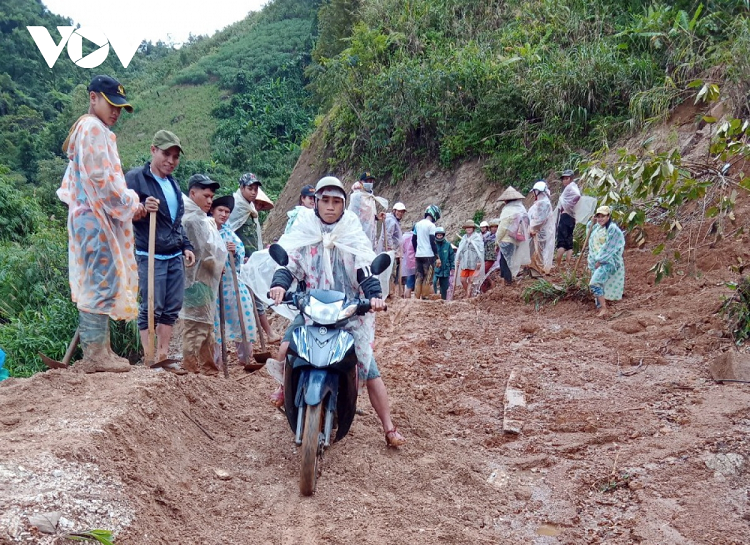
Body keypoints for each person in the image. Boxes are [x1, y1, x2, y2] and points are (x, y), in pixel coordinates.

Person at [267, 176, 406, 447]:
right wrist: (279, 286)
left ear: (344, 205)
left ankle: (389, 427)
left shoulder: (351, 230)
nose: (330, 207)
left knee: (369, 368)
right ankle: (286, 387)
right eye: (325, 200)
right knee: (286, 350)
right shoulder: (306, 228)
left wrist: (374, 296)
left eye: (336, 201)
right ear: (316, 202)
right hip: (312, 308)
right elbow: (291, 263)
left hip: (348, 311)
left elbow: (364, 267)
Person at [57, 74, 146, 373]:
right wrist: (131, 203)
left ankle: (100, 350)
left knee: (99, 279)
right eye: (112, 103)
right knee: (101, 280)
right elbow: (103, 180)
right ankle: (95, 356)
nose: (117, 111)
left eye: (120, 106)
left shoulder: (90, 128)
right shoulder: (93, 128)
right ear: (93, 97)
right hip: (95, 217)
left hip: (89, 215)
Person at [126, 130, 195, 364]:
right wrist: (142, 207)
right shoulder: (136, 178)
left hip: (174, 254)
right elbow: (124, 211)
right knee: (151, 307)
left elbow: (176, 223)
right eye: (166, 154)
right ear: (153, 150)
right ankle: (148, 356)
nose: (171, 161)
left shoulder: (174, 184)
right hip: (150, 254)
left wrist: (186, 245)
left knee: (171, 307)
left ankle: (163, 355)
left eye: (175, 157)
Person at [180, 174, 228, 376]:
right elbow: (201, 254)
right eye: (206, 196)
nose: (210, 201)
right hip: (195, 281)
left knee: (207, 327)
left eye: (211, 196)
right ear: (192, 194)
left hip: (205, 281)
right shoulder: (193, 221)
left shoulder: (202, 219)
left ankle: (209, 370)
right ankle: (191, 370)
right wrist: (218, 264)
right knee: (194, 327)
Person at [226, 173, 280, 342]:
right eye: (250, 188)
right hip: (239, 261)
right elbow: (228, 232)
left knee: (256, 295)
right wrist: (239, 255)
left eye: (256, 189)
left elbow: (254, 237)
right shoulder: (235, 207)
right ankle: (262, 334)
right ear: (241, 188)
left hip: (252, 259)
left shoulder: (251, 210)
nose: (253, 192)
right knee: (246, 298)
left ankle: (264, 334)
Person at [209, 195, 258, 368]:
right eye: (220, 210)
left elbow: (240, 256)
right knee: (215, 322)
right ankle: (217, 362)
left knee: (243, 315)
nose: (223, 214)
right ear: (212, 211)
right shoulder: (207, 229)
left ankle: (246, 357)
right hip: (213, 285)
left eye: (227, 212)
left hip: (232, 282)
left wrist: (235, 251)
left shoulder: (229, 232)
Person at [587, 206, 625, 318]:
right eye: (598, 216)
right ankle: (599, 307)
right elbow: (589, 231)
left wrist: (600, 260)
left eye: (603, 216)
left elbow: (609, 247)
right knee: (600, 284)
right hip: (597, 261)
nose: (600, 219)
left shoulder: (613, 229)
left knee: (594, 283)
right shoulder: (597, 228)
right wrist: (592, 222)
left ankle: (604, 308)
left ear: (608, 216)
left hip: (608, 261)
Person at [492, 186, 531, 284]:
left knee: (505, 262)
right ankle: (510, 280)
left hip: (506, 240)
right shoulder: (521, 208)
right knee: (511, 260)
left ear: (506, 200)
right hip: (517, 239)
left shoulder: (507, 210)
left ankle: (508, 282)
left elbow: (502, 228)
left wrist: (497, 242)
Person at [348, 171, 388, 250]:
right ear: (361, 182)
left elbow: (368, 214)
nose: (369, 183)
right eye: (367, 181)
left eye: (371, 181)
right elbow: (353, 216)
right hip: (359, 237)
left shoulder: (370, 197)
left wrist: (376, 217)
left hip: (370, 234)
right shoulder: (357, 196)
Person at [412, 205, 441, 300]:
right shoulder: (431, 226)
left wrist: (417, 251)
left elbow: (413, 240)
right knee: (428, 277)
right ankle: (424, 297)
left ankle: (416, 297)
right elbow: (433, 242)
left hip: (418, 255)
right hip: (428, 255)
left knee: (419, 276)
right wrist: (437, 257)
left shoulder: (417, 224)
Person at [378, 202, 406, 297]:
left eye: (402, 212)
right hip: (388, 250)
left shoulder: (393, 220)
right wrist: (391, 248)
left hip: (390, 250)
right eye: (399, 211)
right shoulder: (391, 221)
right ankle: (389, 291)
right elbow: (388, 235)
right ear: (394, 211)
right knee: (389, 271)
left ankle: (389, 291)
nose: (400, 214)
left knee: (389, 271)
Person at [528, 180, 556, 275]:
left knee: (541, 250)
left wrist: (532, 228)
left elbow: (539, 220)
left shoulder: (543, 203)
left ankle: (540, 269)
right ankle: (538, 268)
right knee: (539, 250)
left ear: (538, 191)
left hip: (541, 231)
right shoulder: (542, 202)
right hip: (540, 231)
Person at [555, 169, 581, 268]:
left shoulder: (570, 188)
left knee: (561, 242)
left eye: (567, 178)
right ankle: (567, 265)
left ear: (571, 179)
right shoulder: (574, 186)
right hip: (571, 218)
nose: (564, 181)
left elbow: (577, 195)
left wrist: (567, 204)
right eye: (563, 179)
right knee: (569, 242)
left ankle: (558, 266)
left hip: (565, 216)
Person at [455, 220, 484, 298]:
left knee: (471, 280)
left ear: (473, 228)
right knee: (463, 280)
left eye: (470, 227)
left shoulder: (477, 237)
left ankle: (468, 296)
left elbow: (480, 250)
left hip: (473, 262)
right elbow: (461, 249)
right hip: (465, 262)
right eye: (467, 227)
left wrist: (479, 261)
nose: (468, 229)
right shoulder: (464, 238)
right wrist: (458, 259)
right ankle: (469, 293)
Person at [432, 227, 455, 300]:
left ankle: (443, 300)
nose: (439, 237)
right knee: (434, 282)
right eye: (438, 235)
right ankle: (434, 297)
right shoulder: (433, 244)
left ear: (443, 235)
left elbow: (451, 257)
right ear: (435, 236)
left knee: (444, 286)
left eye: (440, 235)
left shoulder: (447, 245)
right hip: (435, 268)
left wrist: (452, 267)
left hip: (445, 269)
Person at [401, 229, 417, 298]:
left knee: (408, 282)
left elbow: (401, 248)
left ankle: (406, 299)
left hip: (406, 261)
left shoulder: (404, 236)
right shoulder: (416, 237)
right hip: (416, 261)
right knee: (416, 281)